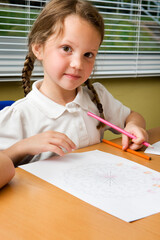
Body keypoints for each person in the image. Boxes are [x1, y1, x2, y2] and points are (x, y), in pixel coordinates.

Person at [0, 0, 148, 166]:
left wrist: (134, 126)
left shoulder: (97, 96)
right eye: (66, 48)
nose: (78, 64)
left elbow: (132, 116)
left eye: (88, 54)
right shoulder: (19, 115)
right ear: (38, 49)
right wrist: (22, 147)